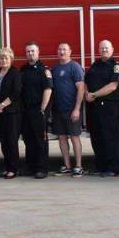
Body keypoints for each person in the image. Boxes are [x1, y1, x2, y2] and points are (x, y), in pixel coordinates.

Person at [84, 40, 119, 178]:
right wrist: (86, 93)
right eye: (101, 48)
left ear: (112, 49)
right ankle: (101, 167)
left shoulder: (116, 66)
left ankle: (114, 168)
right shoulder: (95, 65)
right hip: (95, 107)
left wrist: (94, 95)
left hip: (108, 107)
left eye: (106, 48)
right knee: (97, 138)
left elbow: (113, 86)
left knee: (110, 138)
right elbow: (86, 82)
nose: (104, 50)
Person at [0, 48, 22, 179]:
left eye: (6, 58)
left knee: (11, 140)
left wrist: (1, 106)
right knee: (3, 141)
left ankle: (13, 169)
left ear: (11, 59)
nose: (4, 60)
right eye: (2, 58)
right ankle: (7, 168)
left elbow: (16, 92)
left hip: (12, 113)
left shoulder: (15, 73)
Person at [19, 42, 53, 179]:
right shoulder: (23, 69)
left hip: (38, 109)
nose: (30, 53)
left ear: (38, 52)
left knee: (40, 140)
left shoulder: (43, 70)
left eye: (33, 51)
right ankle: (31, 167)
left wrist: (42, 109)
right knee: (29, 140)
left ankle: (42, 169)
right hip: (26, 110)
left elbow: (48, 90)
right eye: (28, 51)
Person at [51, 42, 85, 177]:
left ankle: (79, 166)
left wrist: (77, 109)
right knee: (62, 138)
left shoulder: (75, 67)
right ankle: (67, 165)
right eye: (59, 49)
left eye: (64, 49)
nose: (62, 52)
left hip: (71, 109)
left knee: (74, 137)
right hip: (58, 110)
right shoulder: (55, 68)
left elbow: (81, 89)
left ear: (70, 51)